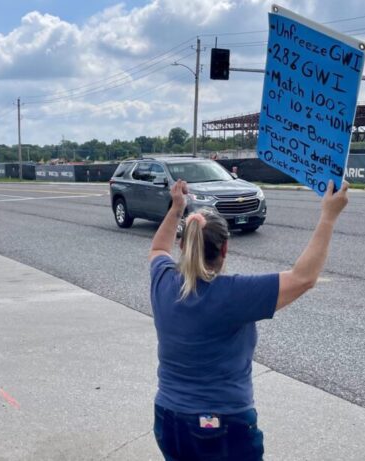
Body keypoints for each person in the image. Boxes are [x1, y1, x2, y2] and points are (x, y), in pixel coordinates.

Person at [149, 179, 349, 460]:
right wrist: (328, 217)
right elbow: (304, 278)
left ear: (183, 246)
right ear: (224, 249)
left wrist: (176, 208)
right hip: (221, 425)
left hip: (168, 419)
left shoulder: (162, 281)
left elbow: (158, 249)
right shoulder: (232, 295)